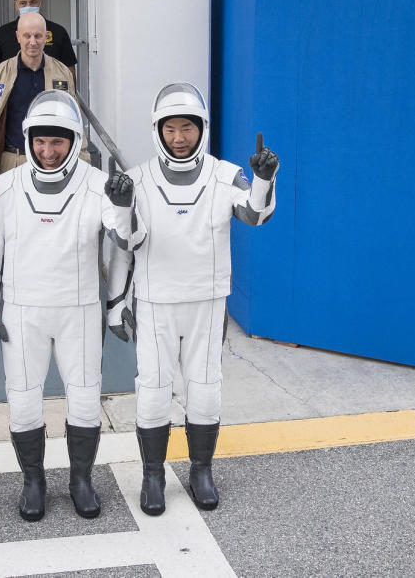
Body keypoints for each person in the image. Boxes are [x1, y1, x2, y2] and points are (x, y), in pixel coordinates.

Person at [107, 82, 279, 517]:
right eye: (171, 129)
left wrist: (262, 179)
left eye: (188, 127)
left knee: (205, 391)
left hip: (207, 301)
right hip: (156, 300)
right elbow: (129, 241)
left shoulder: (225, 174)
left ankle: (200, 470)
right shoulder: (139, 178)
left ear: (202, 128)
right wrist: (122, 205)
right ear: (158, 130)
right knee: (152, 391)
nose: (179, 137)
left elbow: (254, 214)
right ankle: (152, 475)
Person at [0, 90, 131, 522]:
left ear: (74, 140)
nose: (48, 151)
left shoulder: (98, 184)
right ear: (27, 140)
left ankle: (81, 479)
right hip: (22, 314)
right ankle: (33, 480)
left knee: (83, 402)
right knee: (23, 402)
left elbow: (125, 242)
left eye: (57, 141)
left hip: (79, 311)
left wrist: (123, 208)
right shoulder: (6, 185)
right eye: (40, 141)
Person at [0, 11, 88, 196]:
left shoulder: (62, 73)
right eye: (27, 36)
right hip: (12, 160)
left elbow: (75, 121)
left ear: (46, 37)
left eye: (38, 36)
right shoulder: (0, 74)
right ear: (18, 37)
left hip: (52, 162)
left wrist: (82, 160)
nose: (32, 42)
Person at [0, 0, 77, 82]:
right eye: (23, 3)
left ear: (40, 4)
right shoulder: (2, 33)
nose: (28, 7)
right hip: (13, 94)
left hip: (49, 94)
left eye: (33, 2)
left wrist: (70, 96)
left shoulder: (58, 32)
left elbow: (70, 70)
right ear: (16, 5)